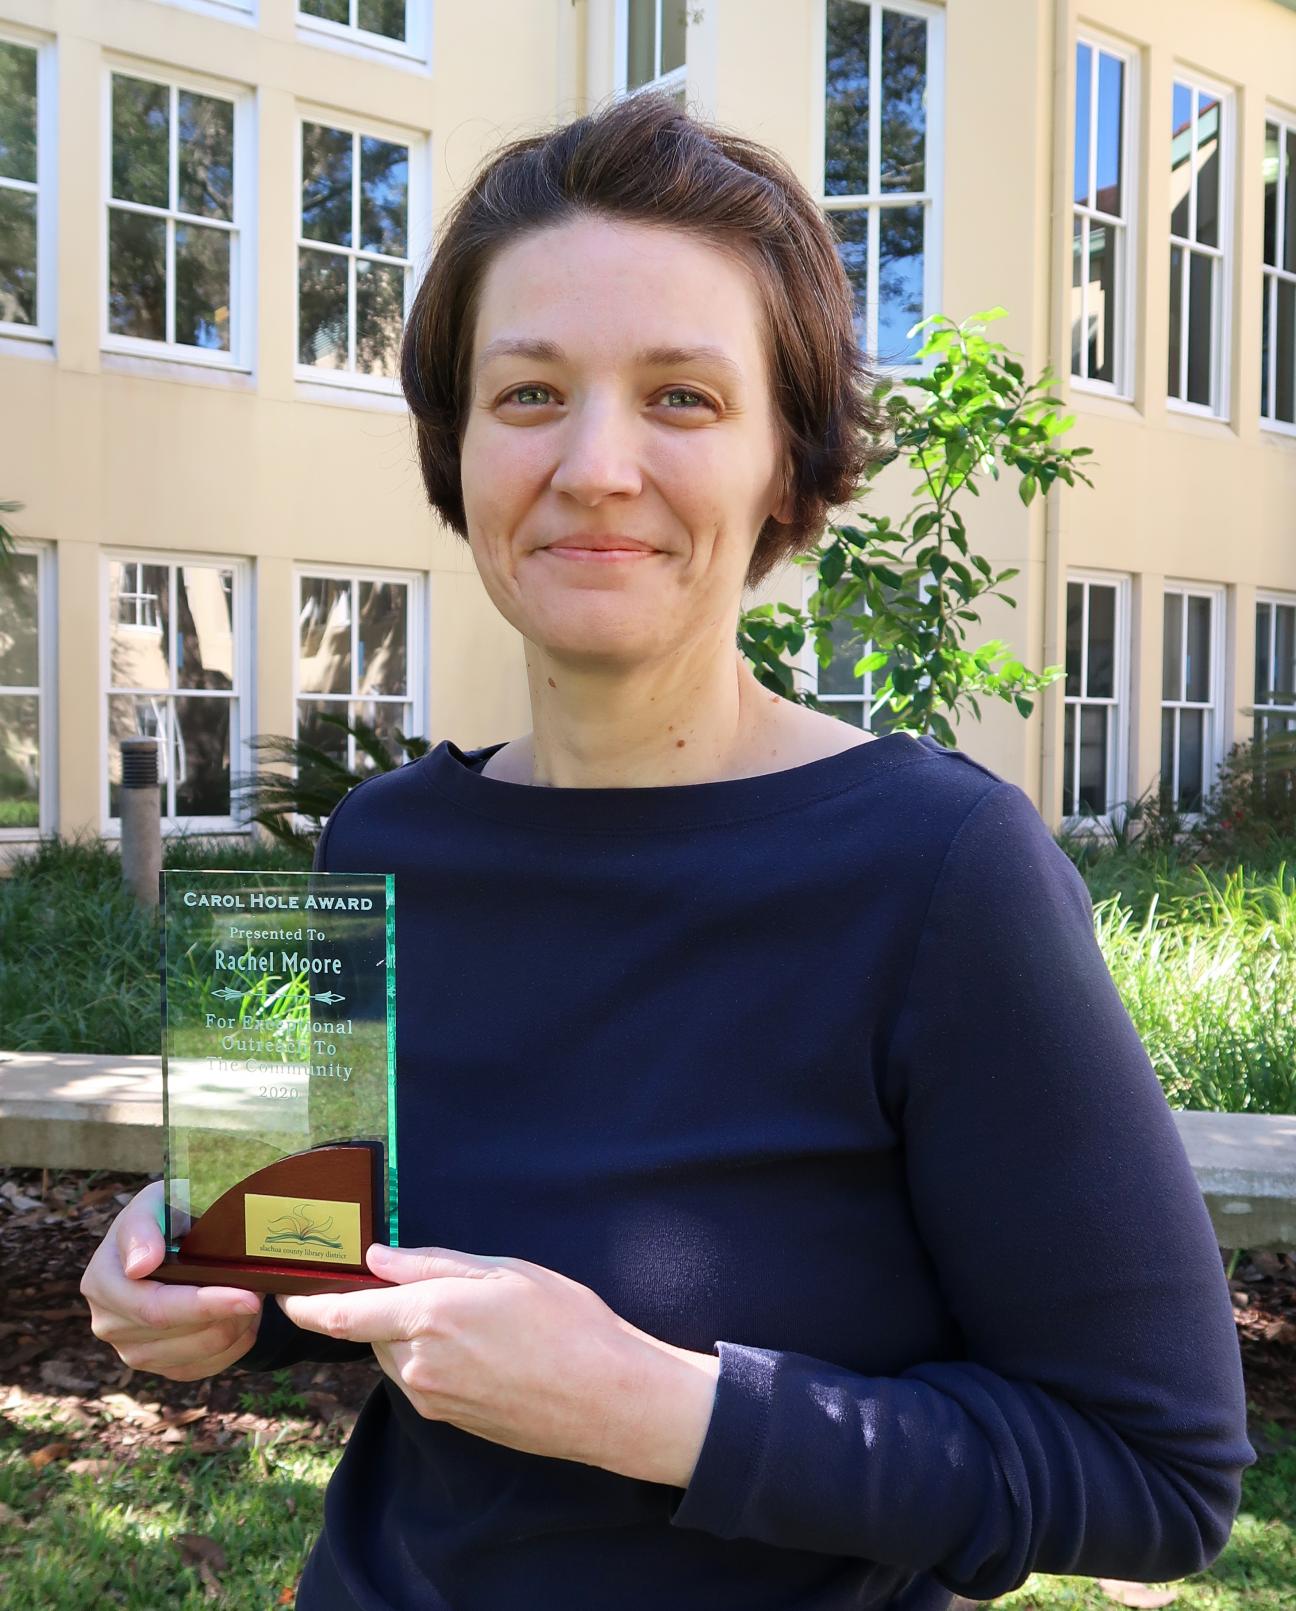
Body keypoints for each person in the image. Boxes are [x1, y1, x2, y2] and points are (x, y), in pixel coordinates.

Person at [80, 91, 1256, 1611]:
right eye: (527, 394)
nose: (596, 465)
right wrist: (201, 1276)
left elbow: (1156, 1478)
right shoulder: (380, 838)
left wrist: (657, 1409)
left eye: (683, 398)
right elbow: (318, 1264)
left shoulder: (942, 867)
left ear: (788, 463)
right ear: (458, 448)